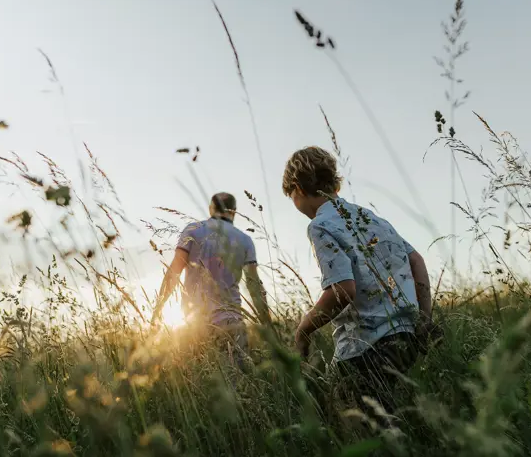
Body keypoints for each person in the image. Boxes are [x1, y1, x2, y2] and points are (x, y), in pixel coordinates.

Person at [281, 146, 436, 413]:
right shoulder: (370, 217)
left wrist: (303, 329)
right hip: (406, 337)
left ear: (298, 188)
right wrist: (424, 318)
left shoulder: (320, 225)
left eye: (291, 196)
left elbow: (343, 289)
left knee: (348, 420)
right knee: (390, 417)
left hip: (366, 348)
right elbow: (416, 261)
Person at [151, 192, 269, 369]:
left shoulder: (193, 230)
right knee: (236, 385)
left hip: (195, 324)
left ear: (211, 209)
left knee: (200, 385)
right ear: (234, 211)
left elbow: (174, 271)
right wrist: (266, 323)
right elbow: (253, 284)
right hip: (232, 322)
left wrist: (158, 309)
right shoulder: (245, 240)